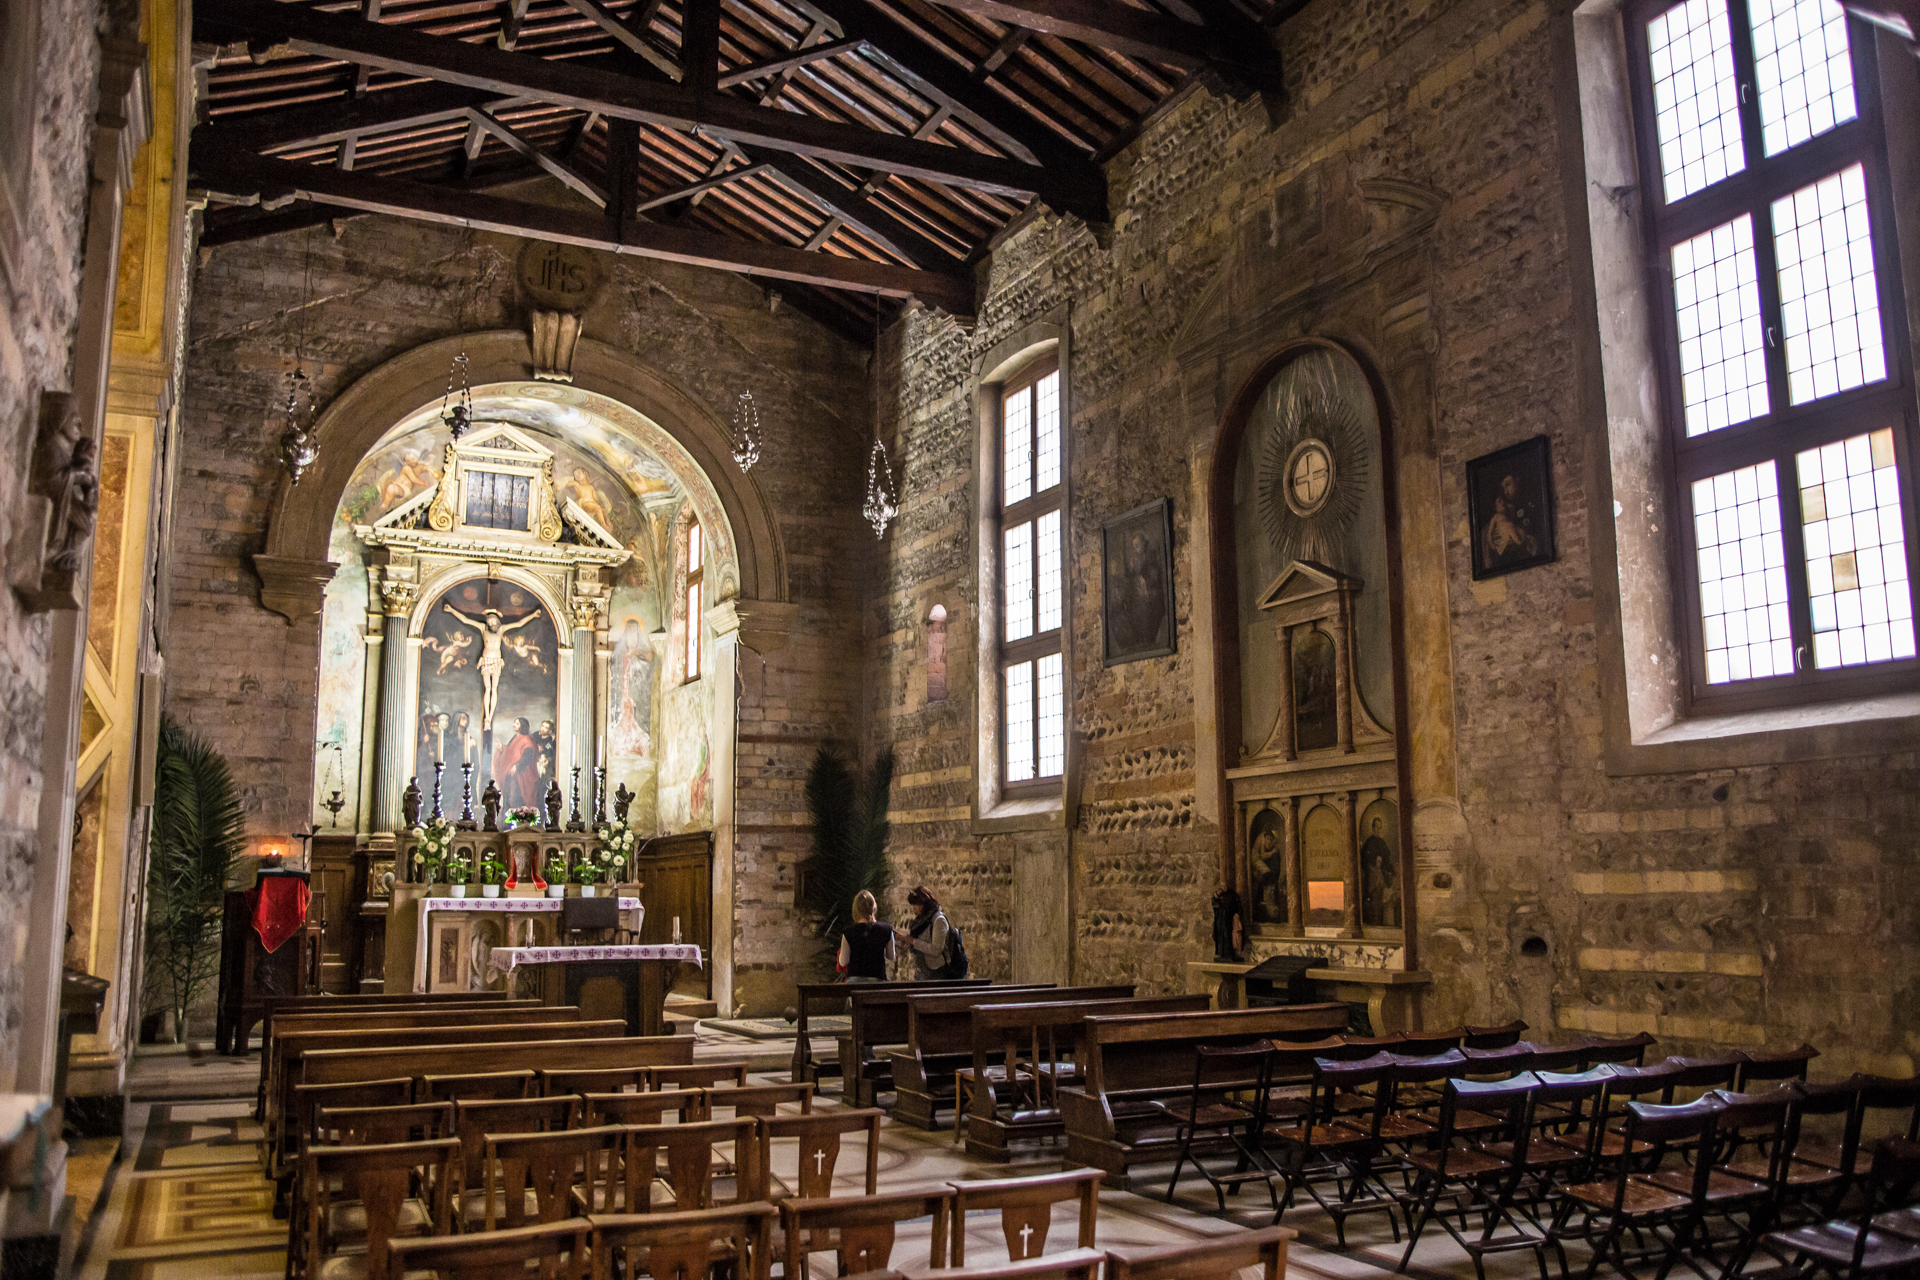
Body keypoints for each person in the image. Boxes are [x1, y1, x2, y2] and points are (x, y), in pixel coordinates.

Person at [836, 890, 895, 983]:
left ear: (856, 909)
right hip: (877, 980)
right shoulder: (886, 929)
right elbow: (891, 956)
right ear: (874, 907)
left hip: (854, 981)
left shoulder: (849, 932)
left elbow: (843, 962)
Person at [896, 885, 952, 979]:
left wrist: (913, 941)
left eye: (915, 904)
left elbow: (936, 950)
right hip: (922, 970)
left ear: (924, 904)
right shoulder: (921, 920)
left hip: (936, 972)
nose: (913, 908)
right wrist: (907, 941)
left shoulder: (938, 920)